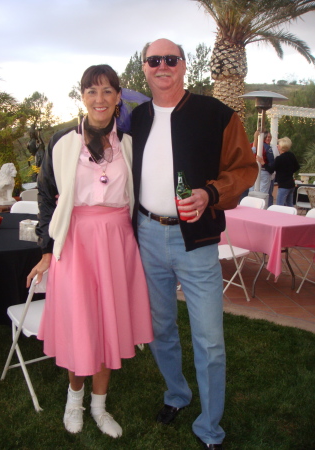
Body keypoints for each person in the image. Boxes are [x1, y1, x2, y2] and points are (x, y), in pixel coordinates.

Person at [131, 38, 258, 449]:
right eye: (154, 60)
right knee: (160, 327)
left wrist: (210, 193)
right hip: (146, 235)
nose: (162, 65)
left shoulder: (216, 114)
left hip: (197, 240)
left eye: (171, 59)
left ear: (184, 66)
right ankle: (177, 394)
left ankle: (210, 427)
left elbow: (245, 167)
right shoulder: (136, 118)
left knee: (210, 339)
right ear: (145, 67)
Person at [27, 64, 153, 438]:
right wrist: (48, 249)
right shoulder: (62, 142)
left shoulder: (131, 145)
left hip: (117, 244)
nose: (99, 99)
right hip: (77, 243)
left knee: (108, 324)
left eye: (107, 91)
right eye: (91, 91)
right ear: (81, 96)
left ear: (118, 98)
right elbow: (47, 198)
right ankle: (74, 401)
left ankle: (99, 406)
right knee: (81, 324)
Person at [257, 136, 300, 207]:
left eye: (279, 144)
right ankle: (292, 217)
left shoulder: (279, 158)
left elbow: (271, 170)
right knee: (289, 205)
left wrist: (263, 163)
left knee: (279, 205)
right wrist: (289, 171)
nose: (277, 146)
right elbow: (297, 167)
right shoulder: (291, 155)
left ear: (282, 147)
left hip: (283, 185)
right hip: (291, 184)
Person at [251, 130, 275, 206]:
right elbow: (272, 163)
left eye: (270, 137)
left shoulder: (251, 145)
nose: (268, 138)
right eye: (267, 137)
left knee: (252, 193)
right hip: (263, 171)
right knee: (263, 194)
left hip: (254, 171)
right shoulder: (267, 148)